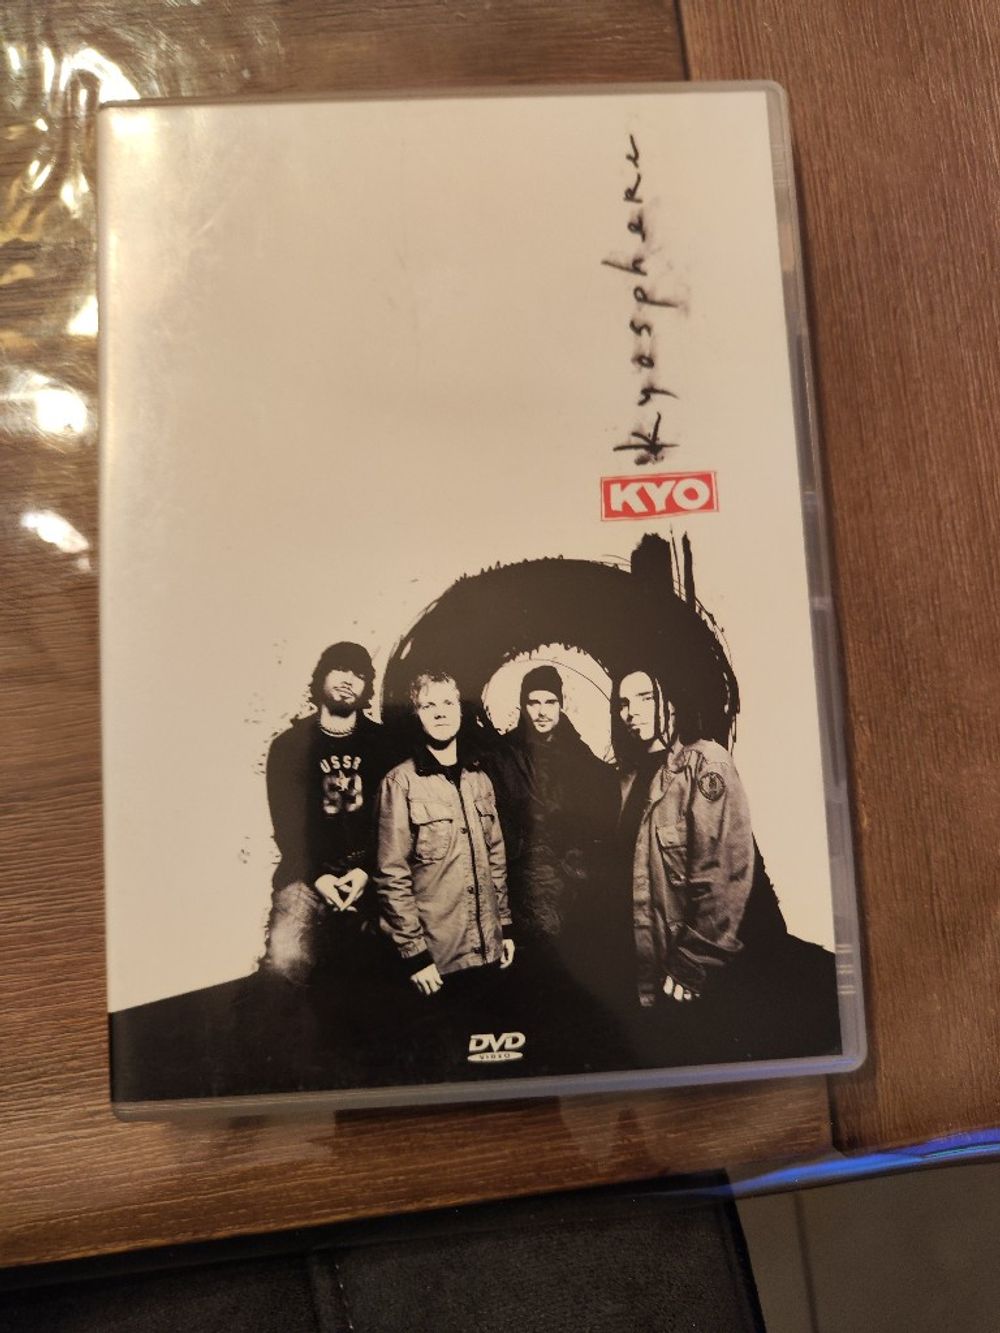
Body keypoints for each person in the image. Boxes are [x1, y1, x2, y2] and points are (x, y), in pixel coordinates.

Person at [612, 666, 792, 1063]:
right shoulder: (628, 776)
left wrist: (693, 961)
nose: (631, 712)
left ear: (671, 702)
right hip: (647, 966)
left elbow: (724, 874)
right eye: (623, 702)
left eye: (645, 698)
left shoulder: (706, 763)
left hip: (691, 974)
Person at [374, 671, 514, 1069]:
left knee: (487, 1064)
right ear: (416, 715)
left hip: (488, 951)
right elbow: (390, 875)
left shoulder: (480, 780)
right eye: (428, 705)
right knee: (444, 1063)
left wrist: (504, 927)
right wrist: (414, 954)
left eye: (448, 703)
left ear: (460, 710)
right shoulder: (399, 783)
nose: (440, 713)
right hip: (436, 960)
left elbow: (496, 858)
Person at [487, 666, 620, 1069]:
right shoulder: (502, 755)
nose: (542, 710)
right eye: (534, 702)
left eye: (550, 701)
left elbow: (599, 810)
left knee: (577, 966)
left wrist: (579, 858)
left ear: (562, 705)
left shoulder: (581, 757)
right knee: (533, 967)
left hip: (574, 877)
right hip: (525, 876)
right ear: (523, 705)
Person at [259, 642, 394, 1034]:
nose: (349, 680)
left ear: (367, 687)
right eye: (340, 669)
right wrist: (320, 877)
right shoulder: (289, 746)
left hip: (370, 871)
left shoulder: (382, 743)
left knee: (403, 949)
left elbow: (391, 821)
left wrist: (365, 872)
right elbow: (287, 827)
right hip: (306, 874)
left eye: (359, 674)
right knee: (285, 960)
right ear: (321, 676)